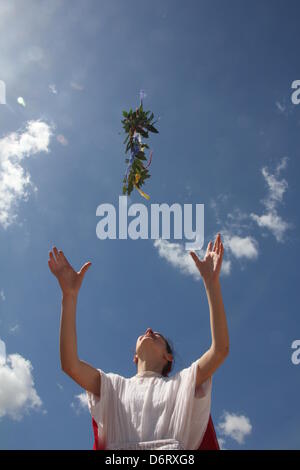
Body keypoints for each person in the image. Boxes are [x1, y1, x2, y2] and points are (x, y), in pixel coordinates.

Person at [48, 233, 229, 450]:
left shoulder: (183, 382)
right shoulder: (114, 386)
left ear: (168, 356)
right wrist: (69, 296)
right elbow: (70, 365)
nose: (149, 330)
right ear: (134, 357)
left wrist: (212, 283)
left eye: (158, 336)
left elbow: (220, 350)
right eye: (147, 333)